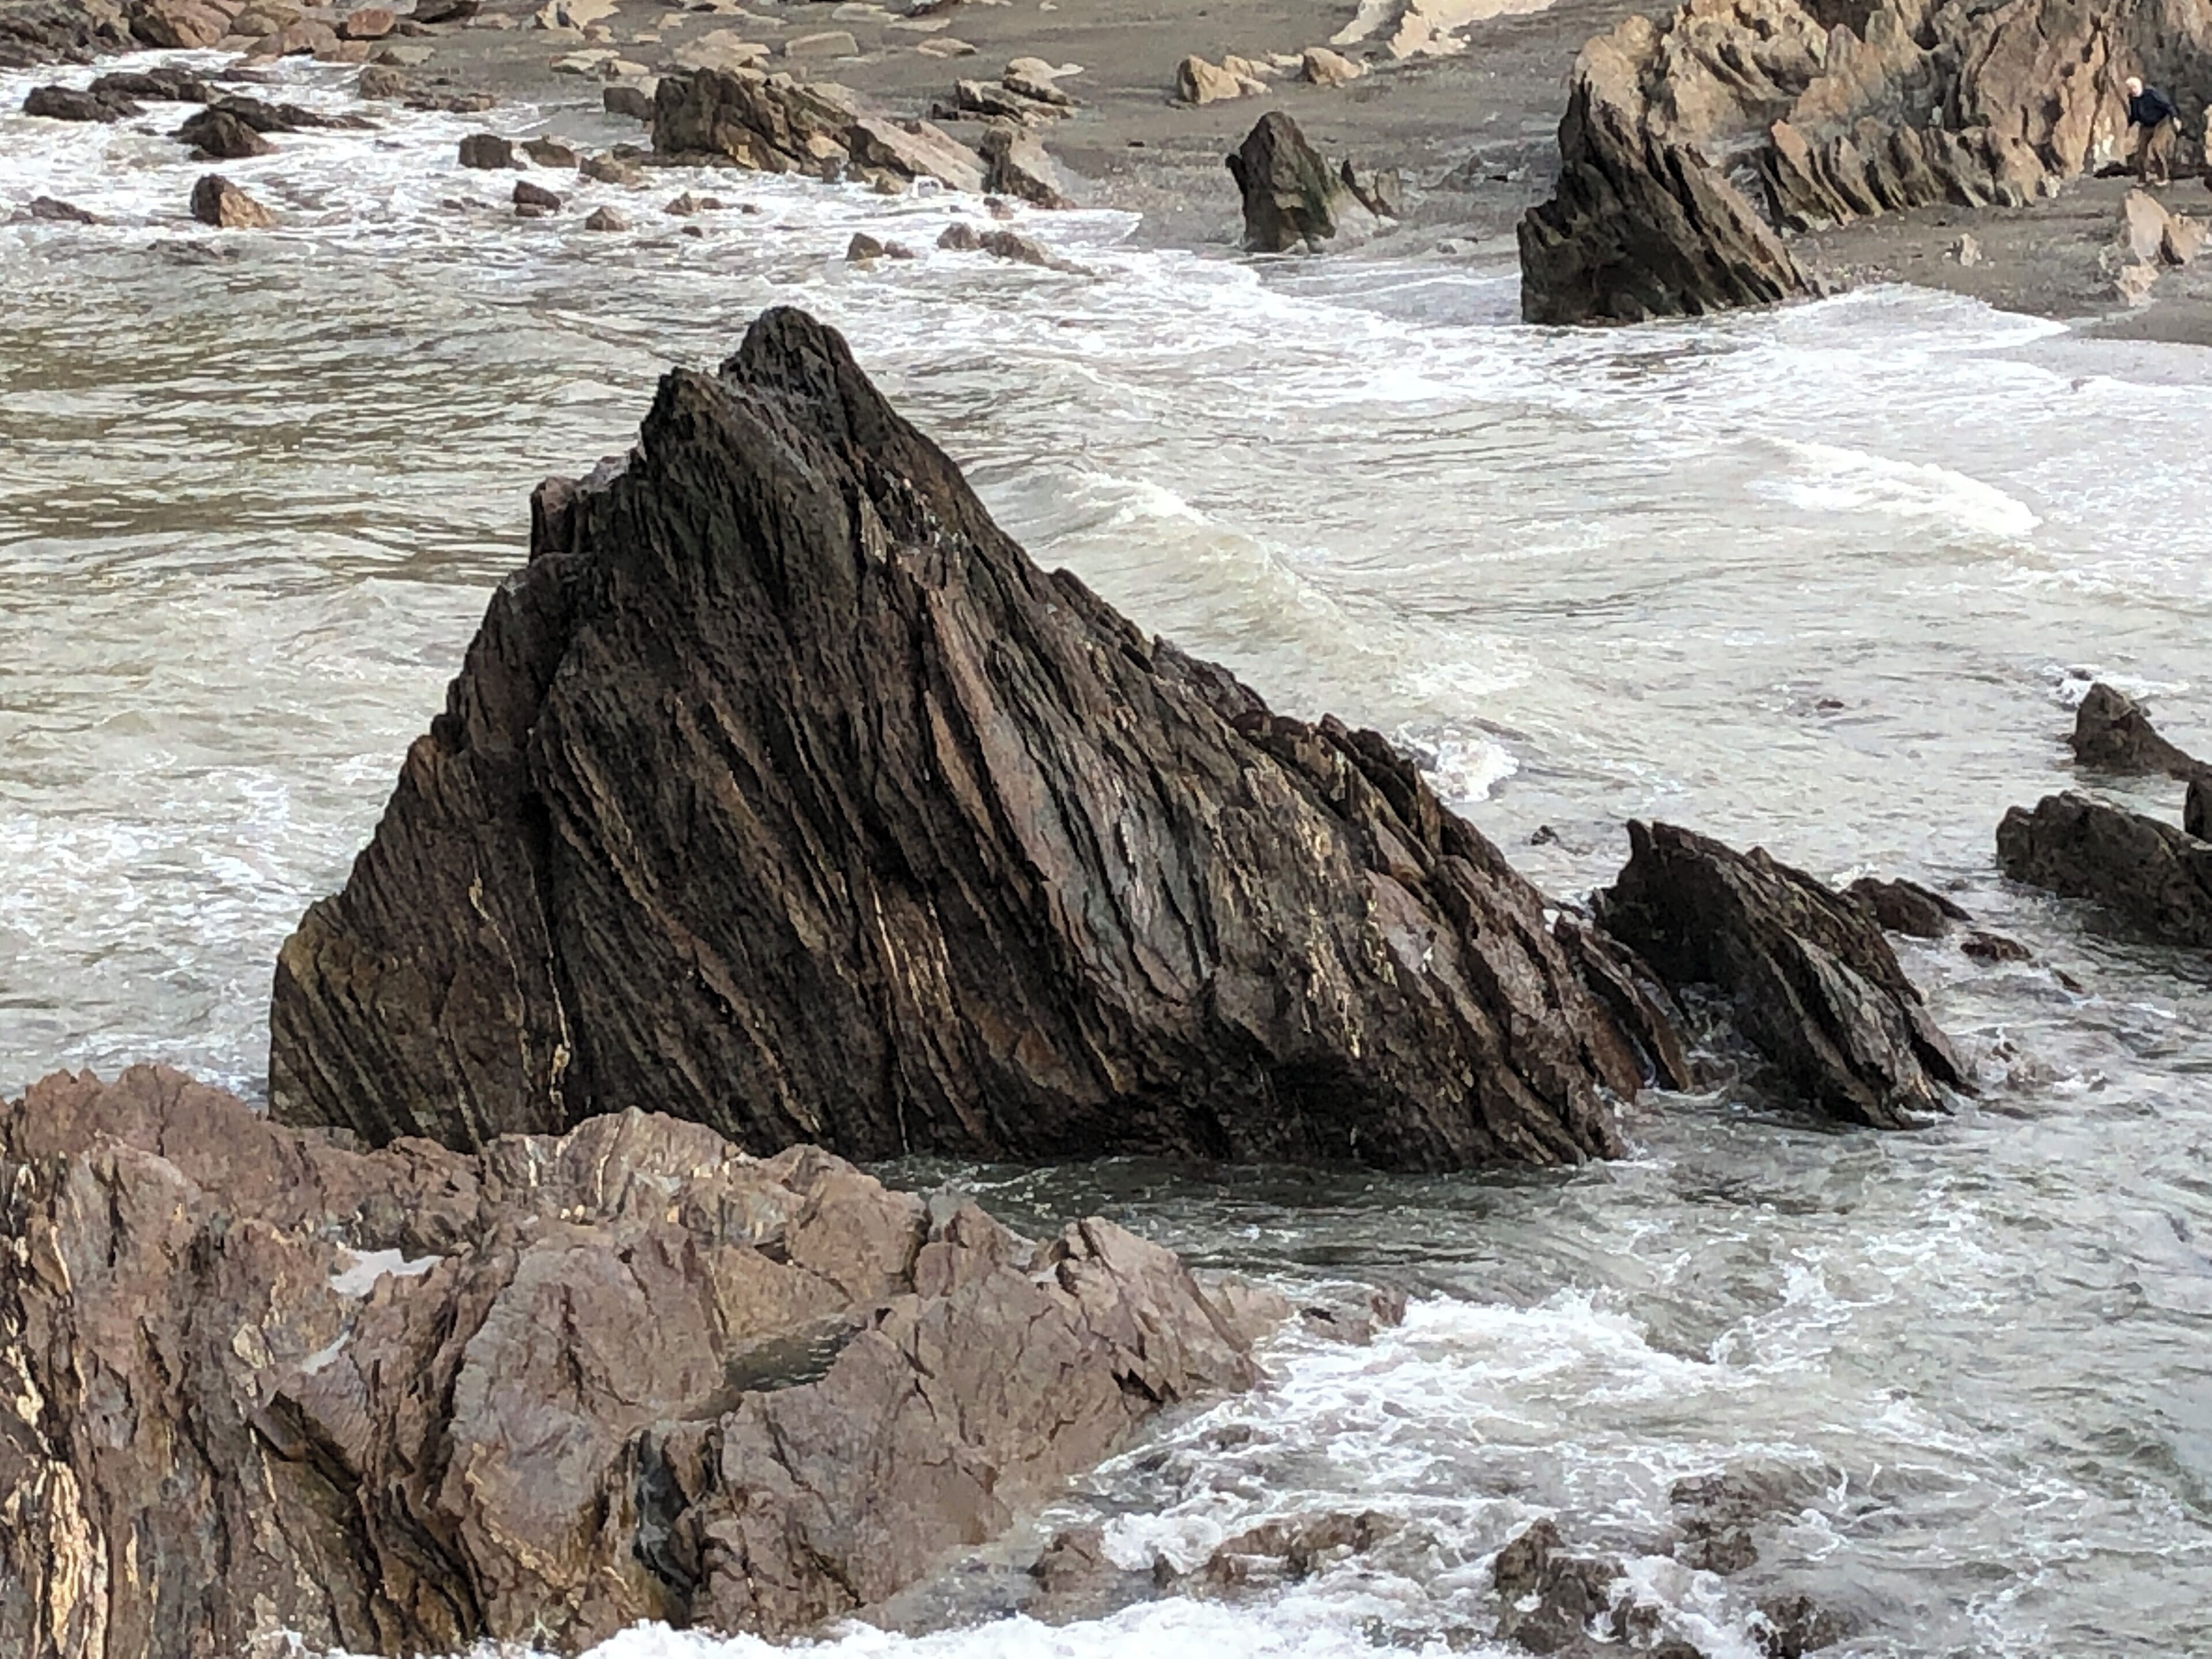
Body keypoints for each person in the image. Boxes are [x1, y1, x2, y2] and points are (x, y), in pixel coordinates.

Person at [2126, 75, 2180, 185]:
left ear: (2140, 86)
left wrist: (2175, 118)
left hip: (2161, 123)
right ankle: (2142, 179)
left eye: (2134, 87)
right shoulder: (2132, 98)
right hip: (2146, 124)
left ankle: (2163, 177)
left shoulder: (2151, 94)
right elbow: (2135, 114)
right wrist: (2129, 126)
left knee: (2156, 147)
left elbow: (2167, 106)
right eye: (2130, 88)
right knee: (2141, 150)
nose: (2133, 90)